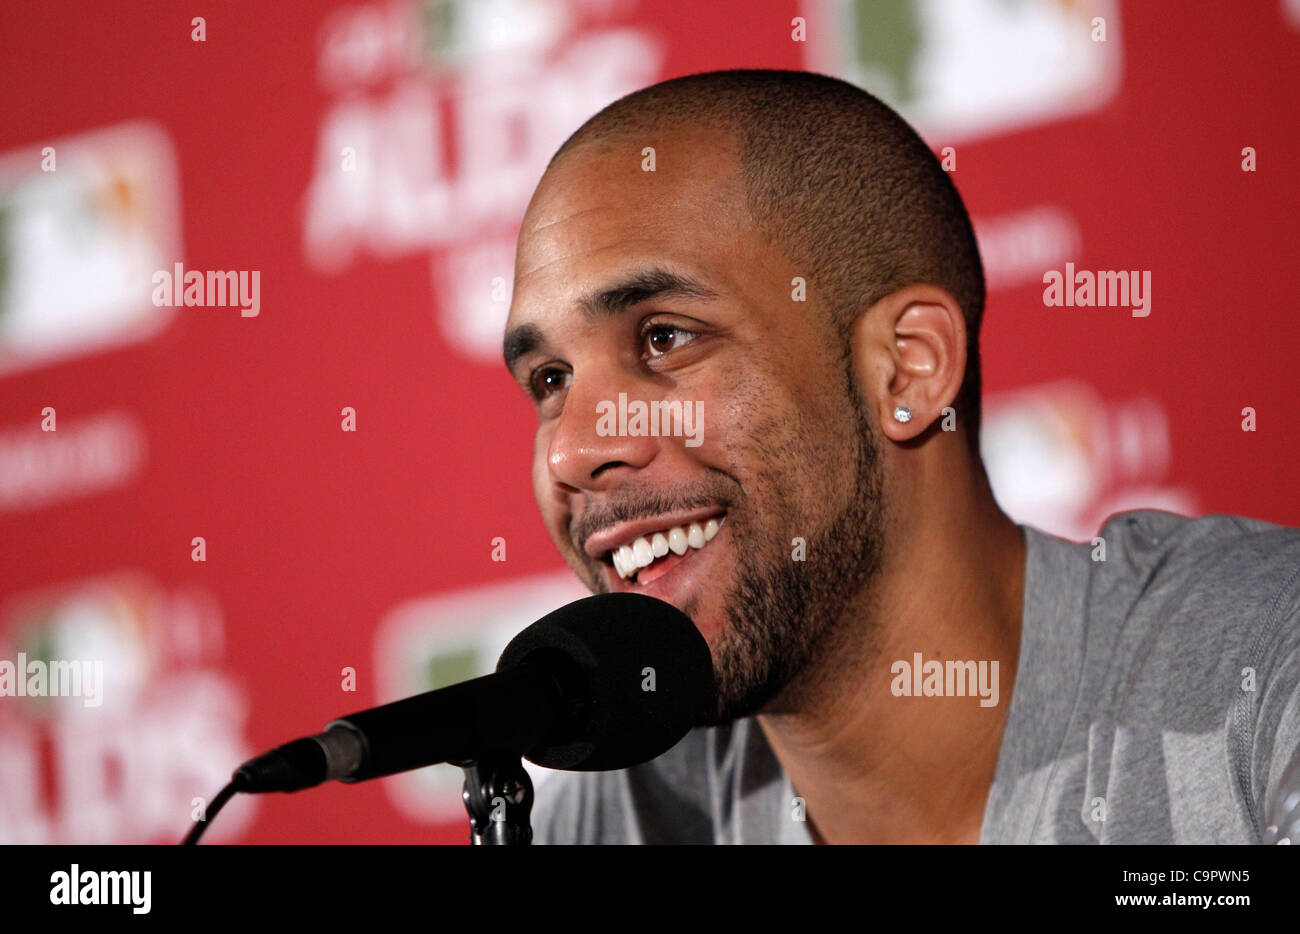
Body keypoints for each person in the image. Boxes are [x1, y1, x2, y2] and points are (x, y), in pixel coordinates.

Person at [500, 69, 1300, 844]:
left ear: (907, 369)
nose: (572, 450)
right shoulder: (628, 816)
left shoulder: (1263, 672)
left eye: (664, 338)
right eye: (550, 380)